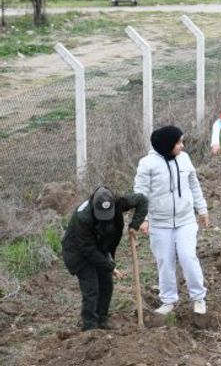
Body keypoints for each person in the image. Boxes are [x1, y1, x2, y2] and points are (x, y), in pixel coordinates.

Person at [134, 125, 209, 315]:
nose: (182, 146)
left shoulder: (184, 159)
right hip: (159, 223)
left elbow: (194, 184)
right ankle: (168, 301)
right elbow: (140, 193)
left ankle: (198, 298)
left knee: (187, 256)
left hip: (185, 220)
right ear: (167, 145)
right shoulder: (147, 164)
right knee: (164, 261)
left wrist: (202, 209)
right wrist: (141, 219)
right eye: (178, 143)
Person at [61, 186, 147, 331]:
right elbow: (89, 250)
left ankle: (102, 319)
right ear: (94, 206)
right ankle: (90, 327)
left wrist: (135, 224)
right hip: (78, 252)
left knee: (106, 284)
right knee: (92, 287)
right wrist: (110, 266)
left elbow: (142, 200)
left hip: (99, 247)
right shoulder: (83, 217)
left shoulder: (119, 202)